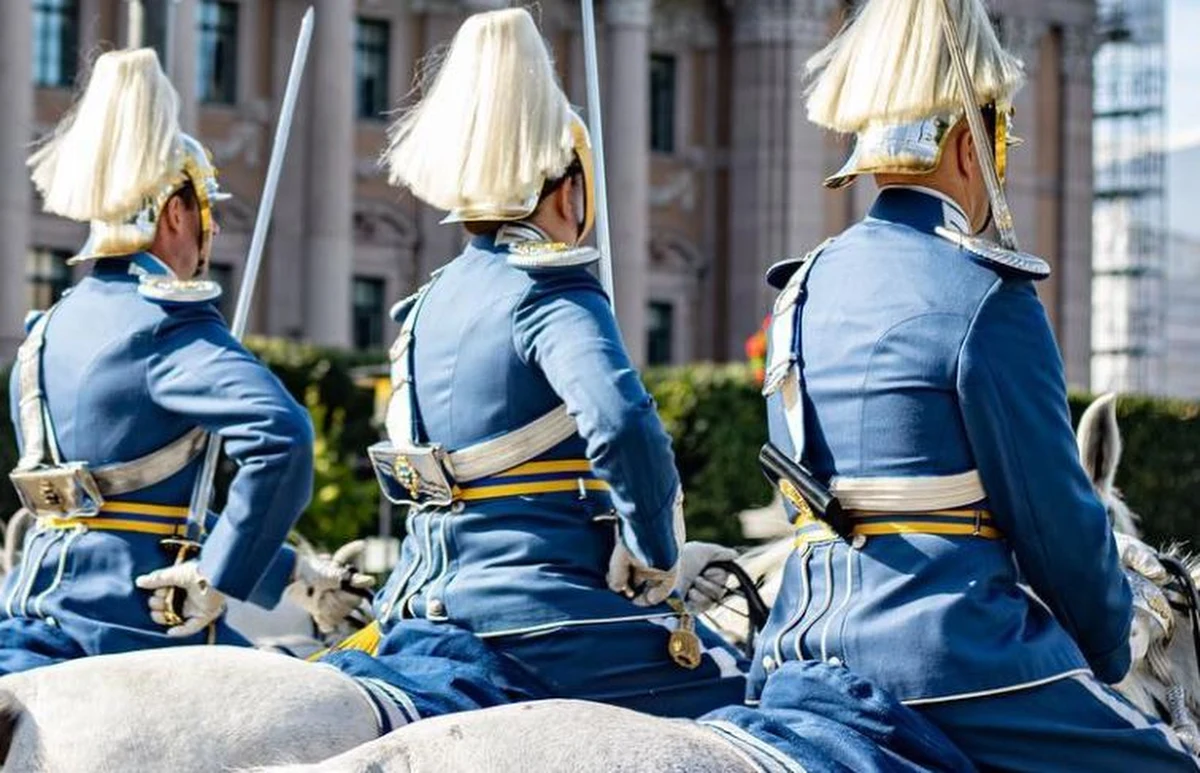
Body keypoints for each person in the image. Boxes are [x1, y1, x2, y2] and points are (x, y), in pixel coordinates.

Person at [745, 0, 1199, 768]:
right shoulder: (990, 295)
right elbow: (1056, 522)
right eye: (1002, 139)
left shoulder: (800, 290)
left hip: (794, 653)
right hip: (955, 667)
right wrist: (1108, 641)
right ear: (969, 143)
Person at [319, 8, 746, 723]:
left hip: (421, 604)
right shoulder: (552, 288)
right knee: (742, 693)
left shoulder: (429, 303)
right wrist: (656, 551)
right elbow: (622, 422)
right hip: (544, 621)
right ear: (569, 188)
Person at [1, 48, 367, 674]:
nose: (213, 230)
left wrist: (292, 574)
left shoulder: (48, 330)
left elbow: (127, 507)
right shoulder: (166, 320)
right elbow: (282, 436)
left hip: (33, 606)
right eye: (207, 210)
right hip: (134, 626)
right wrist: (219, 577)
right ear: (176, 212)